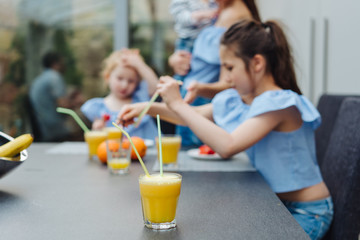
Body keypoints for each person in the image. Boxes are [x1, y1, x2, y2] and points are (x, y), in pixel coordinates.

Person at [117, 20, 333, 240]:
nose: (226, 77)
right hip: (272, 204)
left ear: (257, 63)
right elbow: (195, 116)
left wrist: (178, 104)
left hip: (305, 211)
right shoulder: (243, 99)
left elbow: (228, 146)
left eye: (230, 67)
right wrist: (147, 108)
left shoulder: (280, 104)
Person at [168, 0, 261, 147]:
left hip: (206, 106)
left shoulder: (234, 16)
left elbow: (230, 82)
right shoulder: (216, 10)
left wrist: (198, 88)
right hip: (194, 100)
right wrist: (175, 59)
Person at [80, 49, 158, 140]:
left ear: (137, 83)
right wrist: (97, 130)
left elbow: (156, 87)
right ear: (108, 77)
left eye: (131, 81)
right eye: (120, 79)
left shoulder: (140, 99)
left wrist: (139, 64)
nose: (124, 85)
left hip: (148, 152)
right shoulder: (98, 108)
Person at [29, 51, 80, 142]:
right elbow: (63, 105)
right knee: (84, 131)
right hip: (54, 129)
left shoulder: (39, 79)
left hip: (42, 127)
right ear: (55, 64)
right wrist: (78, 103)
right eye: (63, 62)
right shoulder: (54, 77)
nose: (65, 65)